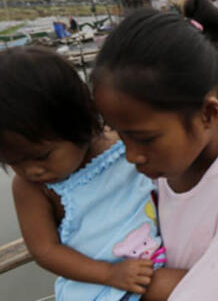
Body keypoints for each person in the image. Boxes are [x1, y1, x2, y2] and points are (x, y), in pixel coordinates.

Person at [91, 0, 218, 301]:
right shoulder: (168, 158)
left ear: (208, 114)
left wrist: (113, 282)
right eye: (121, 135)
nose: (131, 156)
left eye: (144, 139)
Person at [0, 47, 184, 301]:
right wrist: (109, 273)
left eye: (42, 156)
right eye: (14, 162)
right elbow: (45, 250)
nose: (31, 170)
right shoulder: (32, 188)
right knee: (189, 286)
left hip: (157, 256)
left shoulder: (123, 143)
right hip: (102, 283)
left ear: (80, 123)